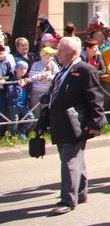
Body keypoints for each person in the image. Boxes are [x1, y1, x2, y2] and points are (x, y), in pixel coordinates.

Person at [34, 36, 105, 214]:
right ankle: (80, 193)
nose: (58, 54)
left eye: (61, 51)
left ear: (72, 53)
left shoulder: (85, 70)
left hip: (76, 123)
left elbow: (95, 98)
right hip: (60, 123)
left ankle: (68, 200)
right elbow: (51, 98)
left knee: (69, 160)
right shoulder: (62, 71)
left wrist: (94, 123)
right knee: (74, 159)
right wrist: (43, 122)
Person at [27, 46, 60, 114]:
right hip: (36, 92)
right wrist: (43, 75)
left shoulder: (53, 64)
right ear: (44, 55)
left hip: (48, 92)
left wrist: (48, 78)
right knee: (36, 112)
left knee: (47, 113)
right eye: (50, 55)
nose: (52, 56)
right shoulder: (36, 64)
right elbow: (32, 78)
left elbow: (58, 76)